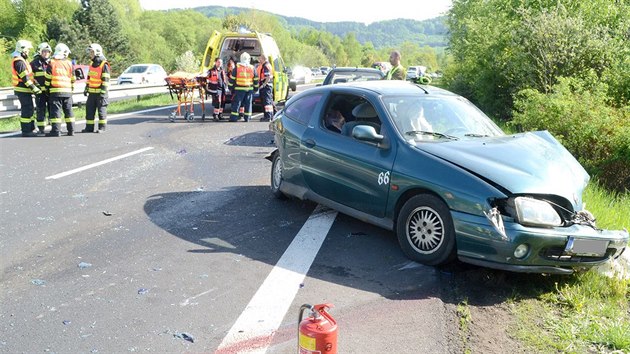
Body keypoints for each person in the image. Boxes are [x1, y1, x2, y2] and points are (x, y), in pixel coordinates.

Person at [11, 39, 41, 137]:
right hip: (22, 89)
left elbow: (29, 76)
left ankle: (31, 128)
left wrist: (36, 84)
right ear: (22, 50)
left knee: (30, 109)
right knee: (27, 109)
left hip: (25, 89)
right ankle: (26, 130)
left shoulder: (23, 60)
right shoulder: (19, 61)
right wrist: (33, 88)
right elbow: (24, 78)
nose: (28, 52)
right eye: (27, 50)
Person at [44, 43, 75, 137]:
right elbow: (73, 78)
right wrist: (71, 89)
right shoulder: (69, 63)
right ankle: (71, 130)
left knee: (56, 112)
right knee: (69, 111)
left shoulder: (52, 62)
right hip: (68, 92)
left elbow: (48, 78)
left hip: (55, 92)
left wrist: (46, 88)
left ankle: (56, 131)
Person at [82, 43, 110, 133]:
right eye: (90, 52)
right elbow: (89, 77)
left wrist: (103, 92)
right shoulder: (92, 64)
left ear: (97, 52)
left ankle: (102, 128)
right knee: (89, 110)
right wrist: (86, 87)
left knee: (101, 111)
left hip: (101, 93)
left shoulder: (104, 64)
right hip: (92, 93)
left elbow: (105, 80)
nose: (90, 54)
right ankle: (89, 128)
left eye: (92, 52)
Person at [228, 52, 258, 122]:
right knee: (248, 103)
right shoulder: (252, 68)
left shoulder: (237, 68)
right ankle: (247, 118)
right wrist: (256, 88)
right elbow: (256, 79)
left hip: (239, 89)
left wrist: (230, 87)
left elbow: (232, 78)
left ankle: (234, 118)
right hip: (249, 89)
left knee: (237, 103)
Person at [30, 42, 52, 135]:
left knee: (53, 109)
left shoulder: (52, 62)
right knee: (40, 109)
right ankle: (41, 128)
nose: (46, 53)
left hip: (50, 91)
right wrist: (36, 85)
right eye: (44, 51)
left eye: (47, 52)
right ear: (40, 52)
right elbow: (30, 76)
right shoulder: (34, 63)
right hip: (39, 92)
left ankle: (54, 127)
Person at [257, 54, 274, 122]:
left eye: (260, 59)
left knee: (266, 101)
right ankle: (269, 116)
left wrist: (264, 84)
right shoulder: (267, 65)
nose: (259, 60)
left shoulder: (265, 66)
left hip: (266, 86)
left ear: (263, 59)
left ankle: (268, 116)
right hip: (267, 85)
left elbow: (267, 77)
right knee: (268, 101)